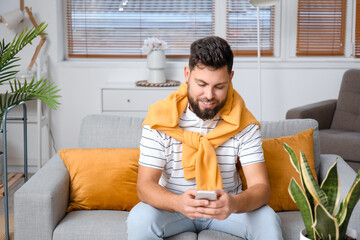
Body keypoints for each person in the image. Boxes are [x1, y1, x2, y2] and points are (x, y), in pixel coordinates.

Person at [127, 36, 283, 240]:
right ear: (187, 74)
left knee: (267, 220)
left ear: (231, 78)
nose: (209, 95)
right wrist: (177, 203)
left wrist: (234, 203)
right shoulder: (160, 120)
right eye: (201, 84)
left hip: (227, 210)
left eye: (219, 86)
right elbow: (145, 185)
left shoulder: (244, 122)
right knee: (139, 218)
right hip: (173, 209)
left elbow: (261, 187)